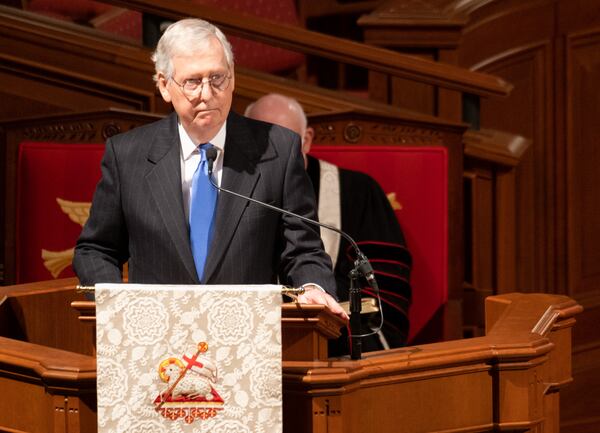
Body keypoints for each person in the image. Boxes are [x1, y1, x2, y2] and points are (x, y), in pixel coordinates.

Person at [73, 19, 347, 320]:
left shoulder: (277, 151)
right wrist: (120, 309)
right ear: (164, 85)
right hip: (157, 334)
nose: (207, 93)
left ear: (233, 78)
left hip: (248, 334)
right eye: (192, 82)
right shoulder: (128, 155)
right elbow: (96, 249)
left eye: (218, 78)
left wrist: (312, 286)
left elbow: (304, 251)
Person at [245, 94, 412, 351]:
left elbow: (384, 294)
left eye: (287, 139)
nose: (274, 153)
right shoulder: (226, 189)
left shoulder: (358, 193)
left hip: (337, 339)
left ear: (307, 139)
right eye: (261, 140)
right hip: (249, 338)